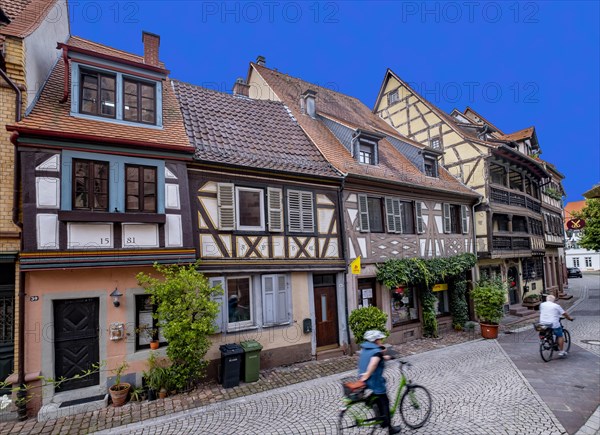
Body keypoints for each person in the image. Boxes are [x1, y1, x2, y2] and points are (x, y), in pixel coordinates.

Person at [357, 330, 401, 434]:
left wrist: (389, 357)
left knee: (377, 399)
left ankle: (380, 417)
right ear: (375, 340)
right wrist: (367, 374)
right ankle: (390, 428)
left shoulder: (366, 348)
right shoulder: (376, 352)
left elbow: (377, 357)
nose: (381, 340)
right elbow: (373, 363)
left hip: (362, 378)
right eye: (380, 339)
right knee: (385, 401)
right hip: (373, 380)